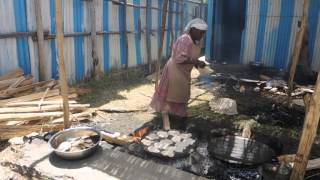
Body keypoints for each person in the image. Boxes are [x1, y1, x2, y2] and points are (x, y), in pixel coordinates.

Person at [150, 18, 208, 130]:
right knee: (175, 93)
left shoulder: (194, 41)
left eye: (203, 33)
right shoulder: (185, 39)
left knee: (181, 94)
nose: (202, 35)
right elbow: (180, 58)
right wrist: (196, 61)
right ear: (193, 29)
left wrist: (197, 65)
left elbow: (190, 57)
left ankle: (175, 115)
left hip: (183, 71)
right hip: (175, 70)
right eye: (201, 32)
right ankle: (171, 115)